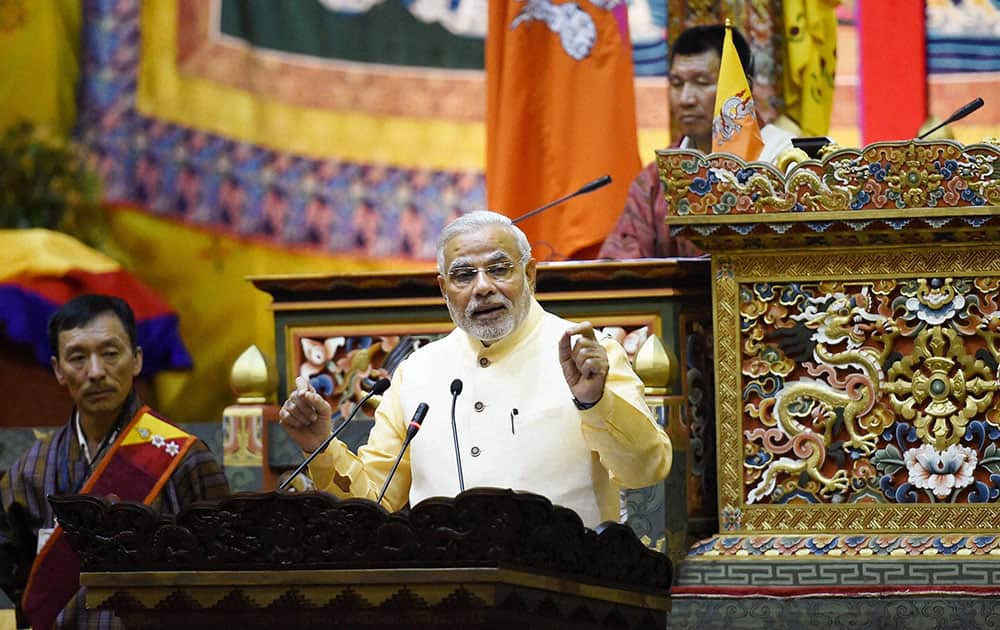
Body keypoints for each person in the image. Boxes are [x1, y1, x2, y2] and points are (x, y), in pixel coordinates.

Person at [280, 211, 672, 528]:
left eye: (500, 269)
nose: (482, 287)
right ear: (443, 288)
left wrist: (595, 402)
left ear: (530, 275)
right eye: (464, 275)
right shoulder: (417, 372)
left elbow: (646, 470)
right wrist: (320, 444)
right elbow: (374, 504)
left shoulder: (587, 355)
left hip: (564, 592)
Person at [0, 294, 230, 629]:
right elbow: (10, 565)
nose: (95, 372)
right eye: (77, 358)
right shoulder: (30, 471)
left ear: (136, 360)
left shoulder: (183, 457)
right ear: (58, 370)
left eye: (110, 354)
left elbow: (224, 562)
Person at [599, 24, 796, 259]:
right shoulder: (657, 178)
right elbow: (619, 264)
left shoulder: (785, 159)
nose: (686, 99)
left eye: (702, 82)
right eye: (677, 83)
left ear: (745, 88)